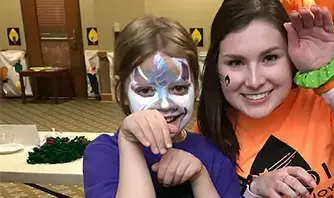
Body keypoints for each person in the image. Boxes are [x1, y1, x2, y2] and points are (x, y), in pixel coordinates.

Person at [195, 0, 334, 197]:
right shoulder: (207, 127)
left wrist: (329, 80)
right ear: (216, 66)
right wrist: (252, 190)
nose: (254, 81)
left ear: (290, 57)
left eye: (270, 58)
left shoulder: (324, 95)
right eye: (235, 62)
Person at [82, 16, 241, 198]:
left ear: (196, 88)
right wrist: (128, 142)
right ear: (122, 94)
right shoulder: (104, 154)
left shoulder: (215, 154)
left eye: (179, 88)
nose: (164, 105)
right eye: (145, 90)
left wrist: (200, 177)